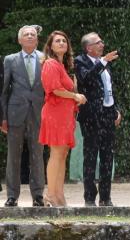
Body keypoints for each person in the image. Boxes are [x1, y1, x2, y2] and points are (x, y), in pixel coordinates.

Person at [39, 31, 86, 206]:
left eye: (64, 41)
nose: (61, 43)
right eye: (57, 41)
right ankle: (51, 195)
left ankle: (59, 195)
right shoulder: (50, 64)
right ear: (50, 46)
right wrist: (75, 96)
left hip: (64, 115)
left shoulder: (61, 65)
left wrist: (75, 97)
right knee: (57, 154)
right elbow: (55, 89)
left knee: (62, 154)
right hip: (55, 114)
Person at [1, 25, 46, 207]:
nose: (29, 36)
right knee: (13, 156)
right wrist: (2, 116)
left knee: (38, 155)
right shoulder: (10, 60)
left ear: (37, 40)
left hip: (39, 113)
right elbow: (3, 91)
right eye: (26, 34)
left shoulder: (45, 59)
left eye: (32, 35)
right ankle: (12, 196)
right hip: (14, 114)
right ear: (19, 40)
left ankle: (38, 196)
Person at [75, 33, 121, 206]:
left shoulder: (105, 63)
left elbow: (109, 88)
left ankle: (105, 197)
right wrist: (102, 62)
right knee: (91, 157)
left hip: (107, 115)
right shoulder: (81, 61)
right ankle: (89, 197)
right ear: (89, 47)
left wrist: (116, 109)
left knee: (107, 157)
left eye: (102, 41)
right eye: (98, 42)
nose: (102, 44)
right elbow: (86, 79)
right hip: (91, 117)